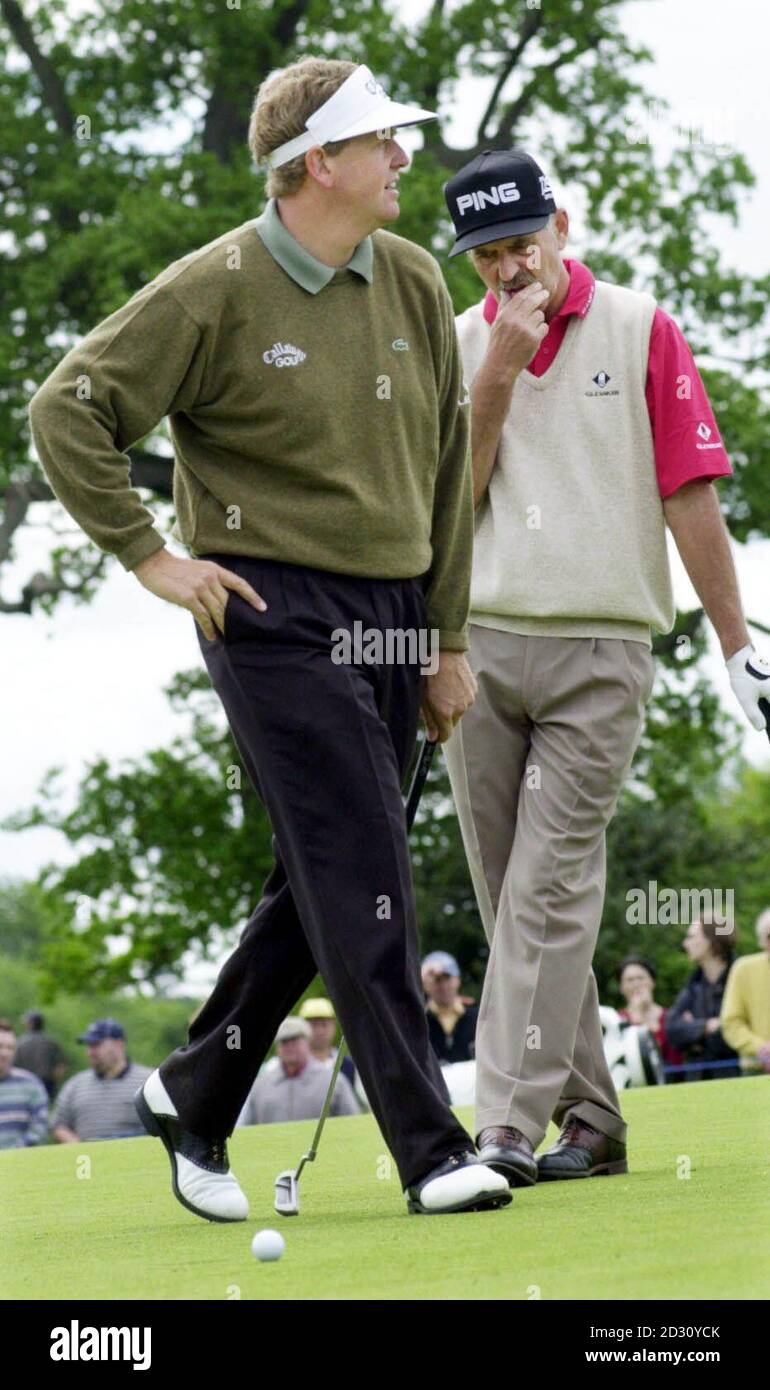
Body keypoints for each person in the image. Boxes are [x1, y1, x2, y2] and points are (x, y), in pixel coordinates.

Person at [28, 57, 509, 1220]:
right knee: (362, 870)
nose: (402, 158)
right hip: (271, 615)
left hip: (395, 617)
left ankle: (194, 1092)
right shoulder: (215, 285)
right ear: (315, 165)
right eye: (380, 142)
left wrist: (444, 639)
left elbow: (446, 483)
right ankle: (430, 1149)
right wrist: (151, 554)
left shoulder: (403, 277)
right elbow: (67, 406)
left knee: (322, 877)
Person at [440, 147, 770, 1188]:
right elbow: (449, 504)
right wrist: (494, 373)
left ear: (561, 226)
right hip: (478, 648)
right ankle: (592, 1118)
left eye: (519, 244)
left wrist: (735, 643)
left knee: (542, 887)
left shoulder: (638, 328)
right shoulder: (456, 346)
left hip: (600, 649)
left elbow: (687, 492)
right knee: (512, 902)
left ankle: (499, 1124)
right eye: (485, 255)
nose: (505, 269)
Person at [237, 1018, 359, 1125]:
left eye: (295, 1040)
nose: (289, 1046)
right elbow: (247, 1127)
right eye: (284, 1042)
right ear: (277, 1048)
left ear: (308, 1042)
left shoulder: (333, 1081)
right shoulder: (261, 1086)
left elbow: (352, 1123)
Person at [50, 1020, 152, 1143]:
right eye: (89, 1046)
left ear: (119, 1045)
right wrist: (79, 1148)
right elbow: (58, 1125)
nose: (90, 1052)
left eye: (96, 1045)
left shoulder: (149, 1081)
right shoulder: (75, 1085)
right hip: (88, 1160)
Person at [666, 920, 740, 1080]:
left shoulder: (742, 977)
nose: (685, 944)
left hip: (738, 1076)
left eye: (691, 937)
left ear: (711, 940)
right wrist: (706, 1026)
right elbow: (672, 1028)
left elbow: (737, 1032)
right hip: (698, 1079)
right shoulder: (694, 984)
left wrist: (695, 1033)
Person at [616, 957, 684, 1078]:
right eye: (630, 980)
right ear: (621, 987)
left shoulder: (670, 1017)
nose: (636, 984)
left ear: (652, 982)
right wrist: (637, 1016)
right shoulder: (617, 1020)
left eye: (641, 978)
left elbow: (676, 1059)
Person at [721, 908, 770, 1071]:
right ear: (761, 942)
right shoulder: (743, 969)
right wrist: (761, 1048)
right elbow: (731, 1022)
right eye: (769, 937)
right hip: (757, 1068)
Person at [0, 1019, 49, 1149]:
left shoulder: (30, 1085)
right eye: (0, 1046)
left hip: (22, 1163)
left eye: (10, 1048)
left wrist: (15, 1153)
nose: (4, 1053)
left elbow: (40, 1126)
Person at [421, 951, 478, 1063]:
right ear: (425, 985)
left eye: (447, 978)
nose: (443, 986)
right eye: (437, 980)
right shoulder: (418, 1021)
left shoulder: (476, 1017)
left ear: (457, 981)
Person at [298, 997, 359, 1093]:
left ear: (334, 1026)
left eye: (324, 1024)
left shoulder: (349, 1065)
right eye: (313, 1025)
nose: (319, 1031)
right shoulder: (285, 1065)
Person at [14, 1011, 67, 1100]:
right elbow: (61, 1066)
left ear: (31, 1024)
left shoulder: (20, 1042)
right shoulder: (51, 1042)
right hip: (48, 1085)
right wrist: (55, 1080)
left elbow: (13, 1065)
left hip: (25, 1084)